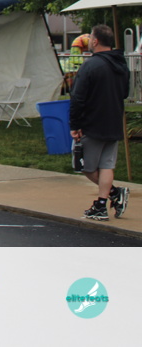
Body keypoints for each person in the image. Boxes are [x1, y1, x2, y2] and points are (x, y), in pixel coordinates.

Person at [70, 25, 130, 220]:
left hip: (92, 123)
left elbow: (78, 98)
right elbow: (125, 92)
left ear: (95, 41)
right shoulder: (121, 65)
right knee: (106, 166)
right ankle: (102, 203)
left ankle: (113, 194)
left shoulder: (91, 66)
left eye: (90, 38)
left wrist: (74, 125)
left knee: (85, 166)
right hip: (114, 121)